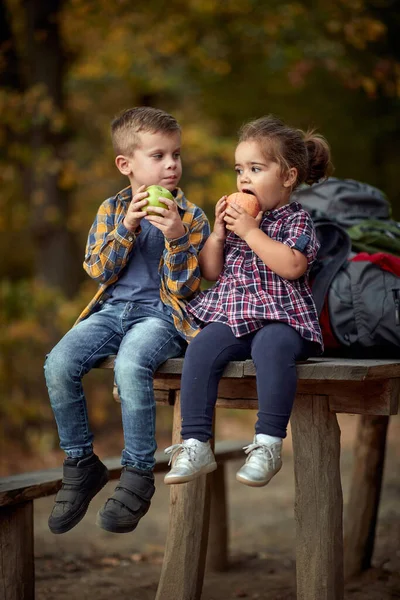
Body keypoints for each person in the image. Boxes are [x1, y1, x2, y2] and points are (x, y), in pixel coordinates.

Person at [44, 106, 210, 534]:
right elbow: (97, 269)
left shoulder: (191, 216)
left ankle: (137, 472)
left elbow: (188, 289)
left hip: (162, 315)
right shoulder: (111, 209)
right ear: (126, 165)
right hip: (112, 312)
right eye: (158, 156)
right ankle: (81, 463)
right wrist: (128, 228)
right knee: (58, 364)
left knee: (131, 364)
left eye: (176, 154)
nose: (171, 164)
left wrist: (175, 237)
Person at [164, 115, 332, 487]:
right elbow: (210, 271)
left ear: (288, 177)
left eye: (256, 169)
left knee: (271, 346)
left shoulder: (296, 220)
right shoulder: (238, 219)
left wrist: (252, 232)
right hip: (235, 314)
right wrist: (219, 234)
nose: (244, 179)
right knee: (203, 345)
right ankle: (195, 444)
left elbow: (292, 266)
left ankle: (268, 444)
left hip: (283, 319)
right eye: (240, 169)